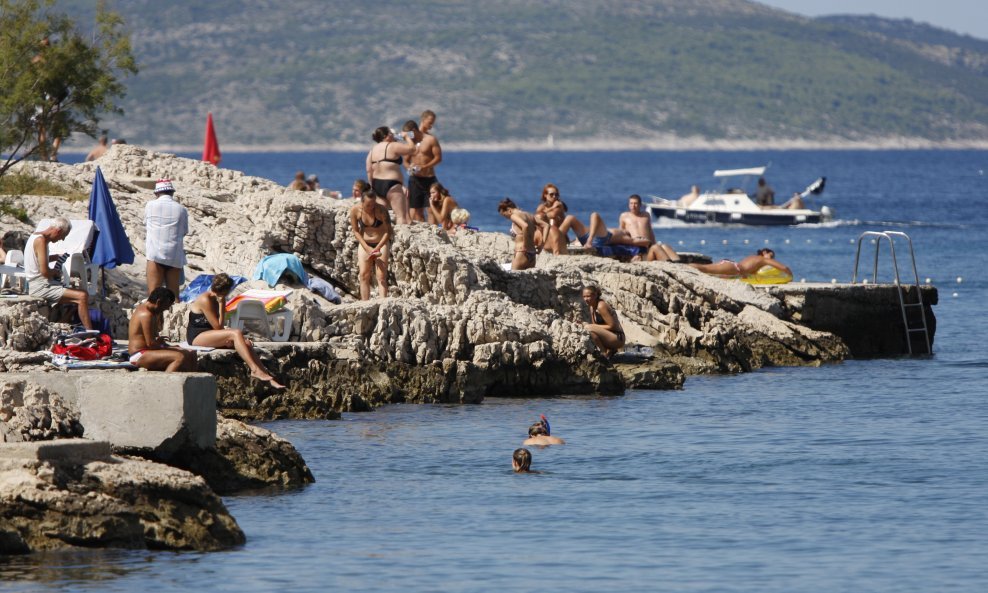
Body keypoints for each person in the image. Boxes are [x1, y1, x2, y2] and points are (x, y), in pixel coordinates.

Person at [188, 273, 285, 389]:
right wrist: (221, 304)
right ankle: (254, 370)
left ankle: (268, 378)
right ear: (227, 291)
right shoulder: (206, 299)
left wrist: (226, 338)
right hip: (197, 336)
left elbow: (218, 329)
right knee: (236, 333)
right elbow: (218, 327)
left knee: (247, 343)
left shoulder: (217, 298)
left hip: (209, 333)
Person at [23, 218, 93, 330]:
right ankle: (91, 333)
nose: (62, 239)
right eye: (63, 236)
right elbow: (45, 272)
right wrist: (57, 272)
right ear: (58, 231)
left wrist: (53, 258)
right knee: (82, 296)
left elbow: (36, 259)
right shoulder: (41, 241)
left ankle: (61, 325)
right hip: (41, 286)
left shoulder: (35, 236)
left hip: (38, 284)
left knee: (76, 299)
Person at [127, 287, 197, 372]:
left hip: (148, 351)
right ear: (158, 302)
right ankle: (168, 383)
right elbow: (151, 344)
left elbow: (152, 340)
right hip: (139, 354)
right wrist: (166, 346)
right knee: (179, 357)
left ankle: (191, 382)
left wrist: (164, 344)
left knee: (191, 353)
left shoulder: (152, 312)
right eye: (166, 306)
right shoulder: (146, 315)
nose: (166, 309)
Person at [145, 179, 188, 298]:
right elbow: (185, 231)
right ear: (172, 193)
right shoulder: (181, 209)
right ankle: (173, 315)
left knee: (153, 295)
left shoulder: (150, 205)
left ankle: (157, 317)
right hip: (175, 256)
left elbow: (146, 224)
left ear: (156, 194)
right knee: (174, 296)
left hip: (155, 254)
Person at [366, 126, 417, 225]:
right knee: (401, 217)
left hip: (377, 184)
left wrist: (371, 186)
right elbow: (412, 149)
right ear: (386, 136)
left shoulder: (373, 150)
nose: (393, 135)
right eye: (391, 133)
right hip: (391, 184)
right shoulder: (392, 146)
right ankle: (401, 240)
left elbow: (369, 169)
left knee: (381, 218)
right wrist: (406, 137)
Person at [351, 189, 393, 299]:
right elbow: (355, 231)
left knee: (381, 276)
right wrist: (367, 247)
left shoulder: (381, 210)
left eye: (374, 204)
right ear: (362, 202)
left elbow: (389, 232)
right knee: (364, 275)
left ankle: (383, 302)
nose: (372, 207)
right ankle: (365, 303)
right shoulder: (355, 211)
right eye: (368, 205)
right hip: (365, 245)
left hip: (381, 244)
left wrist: (377, 248)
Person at [403, 114, 443, 223]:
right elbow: (405, 161)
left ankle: (433, 231)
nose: (409, 137)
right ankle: (422, 231)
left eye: (410, 134)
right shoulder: (410, 143)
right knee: (416, 209)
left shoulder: (430, 139)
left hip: (429, 178)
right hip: (415, 179)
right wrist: (409, 168)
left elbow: (438, 158)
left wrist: (424, 167)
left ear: (414, 130)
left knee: (431, 207)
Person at [619, 194, 680, 262]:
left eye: (635, 203)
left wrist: (654, 243)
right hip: (636, 253)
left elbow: (650, 232)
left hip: (648, 249)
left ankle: (679, 264)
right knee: (655, 247)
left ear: (640, 205)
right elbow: (621, 236)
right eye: (631, 203)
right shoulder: (624, 216)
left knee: (665, 246)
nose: (633, 206)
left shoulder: (646, 215)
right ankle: (669, 265)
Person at [582, 285, 625, 358]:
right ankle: (607, 351)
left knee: (588, 327)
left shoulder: (601, 306)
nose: (586, 299)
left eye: (588, 296)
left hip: (618, 338)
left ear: (595, 295)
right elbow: (595, 327)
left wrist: (591, 326)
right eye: (584, 296)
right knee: (590, 331)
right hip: (609, 336)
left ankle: (604, 354)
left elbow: (612, 326)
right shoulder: (592, 307)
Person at [690, 248, 792, 278]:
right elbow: (784, 268)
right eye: (771, 255)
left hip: (732, 265)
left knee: (705, 268)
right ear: (765, 252)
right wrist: (790, 275)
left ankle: (683, 267)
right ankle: (682, 267)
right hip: (735, 268)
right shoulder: (763, 260)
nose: (772, 258)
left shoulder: (753, 258)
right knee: (705, 269)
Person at [498, 198, 537, 270]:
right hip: (532, 254)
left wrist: (525, 245)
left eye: (504, 215)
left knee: (513, 279)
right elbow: (546, 225)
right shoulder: (529, 215)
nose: (506, 218)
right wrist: (541, 244)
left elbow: (525, 226)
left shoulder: (513, 216)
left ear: (509, 210)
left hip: (522, 252)